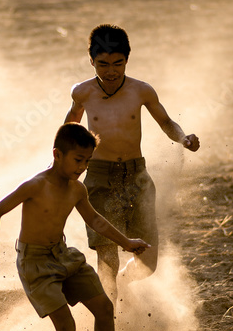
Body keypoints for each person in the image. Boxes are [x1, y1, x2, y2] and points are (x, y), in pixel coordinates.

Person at [0, 123, 149, 331]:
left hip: (63, 255)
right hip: (35, 263)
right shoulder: (35, 185)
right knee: (66, 324)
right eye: (78, 160)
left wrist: (127, 243)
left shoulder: (77, 189)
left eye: (87, 161)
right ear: (57, 154)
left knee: (104, 307)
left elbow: (94, 220)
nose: (82, 167)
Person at [64, 24, 199, 304]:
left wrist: (183, 138)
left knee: (148, 262)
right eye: (103, 64)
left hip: (136, 177)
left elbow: (166, 122)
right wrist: (65, 165)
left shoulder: (142, 91)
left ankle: (119, 288)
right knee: (107, 257)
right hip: (99, 179)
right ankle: (108, 315)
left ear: (127, 59)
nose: (111, 71)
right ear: (91, 60)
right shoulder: (83, 92)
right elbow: (69, 127)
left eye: (118, 63)